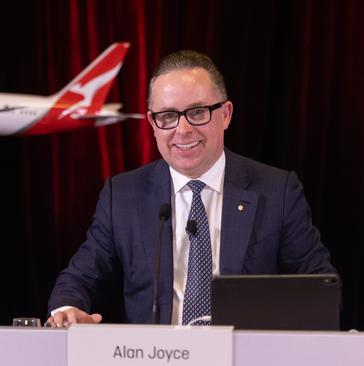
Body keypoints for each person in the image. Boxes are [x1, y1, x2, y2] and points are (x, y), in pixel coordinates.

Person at [47, 50, 337, 326]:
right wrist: (68, 310)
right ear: (152, 122)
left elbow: (320, 285)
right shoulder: (123, 195)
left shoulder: (277, 191)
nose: (182, 129)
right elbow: (80, 277)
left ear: (225, 114)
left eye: (197, 112)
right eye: (168, 116)